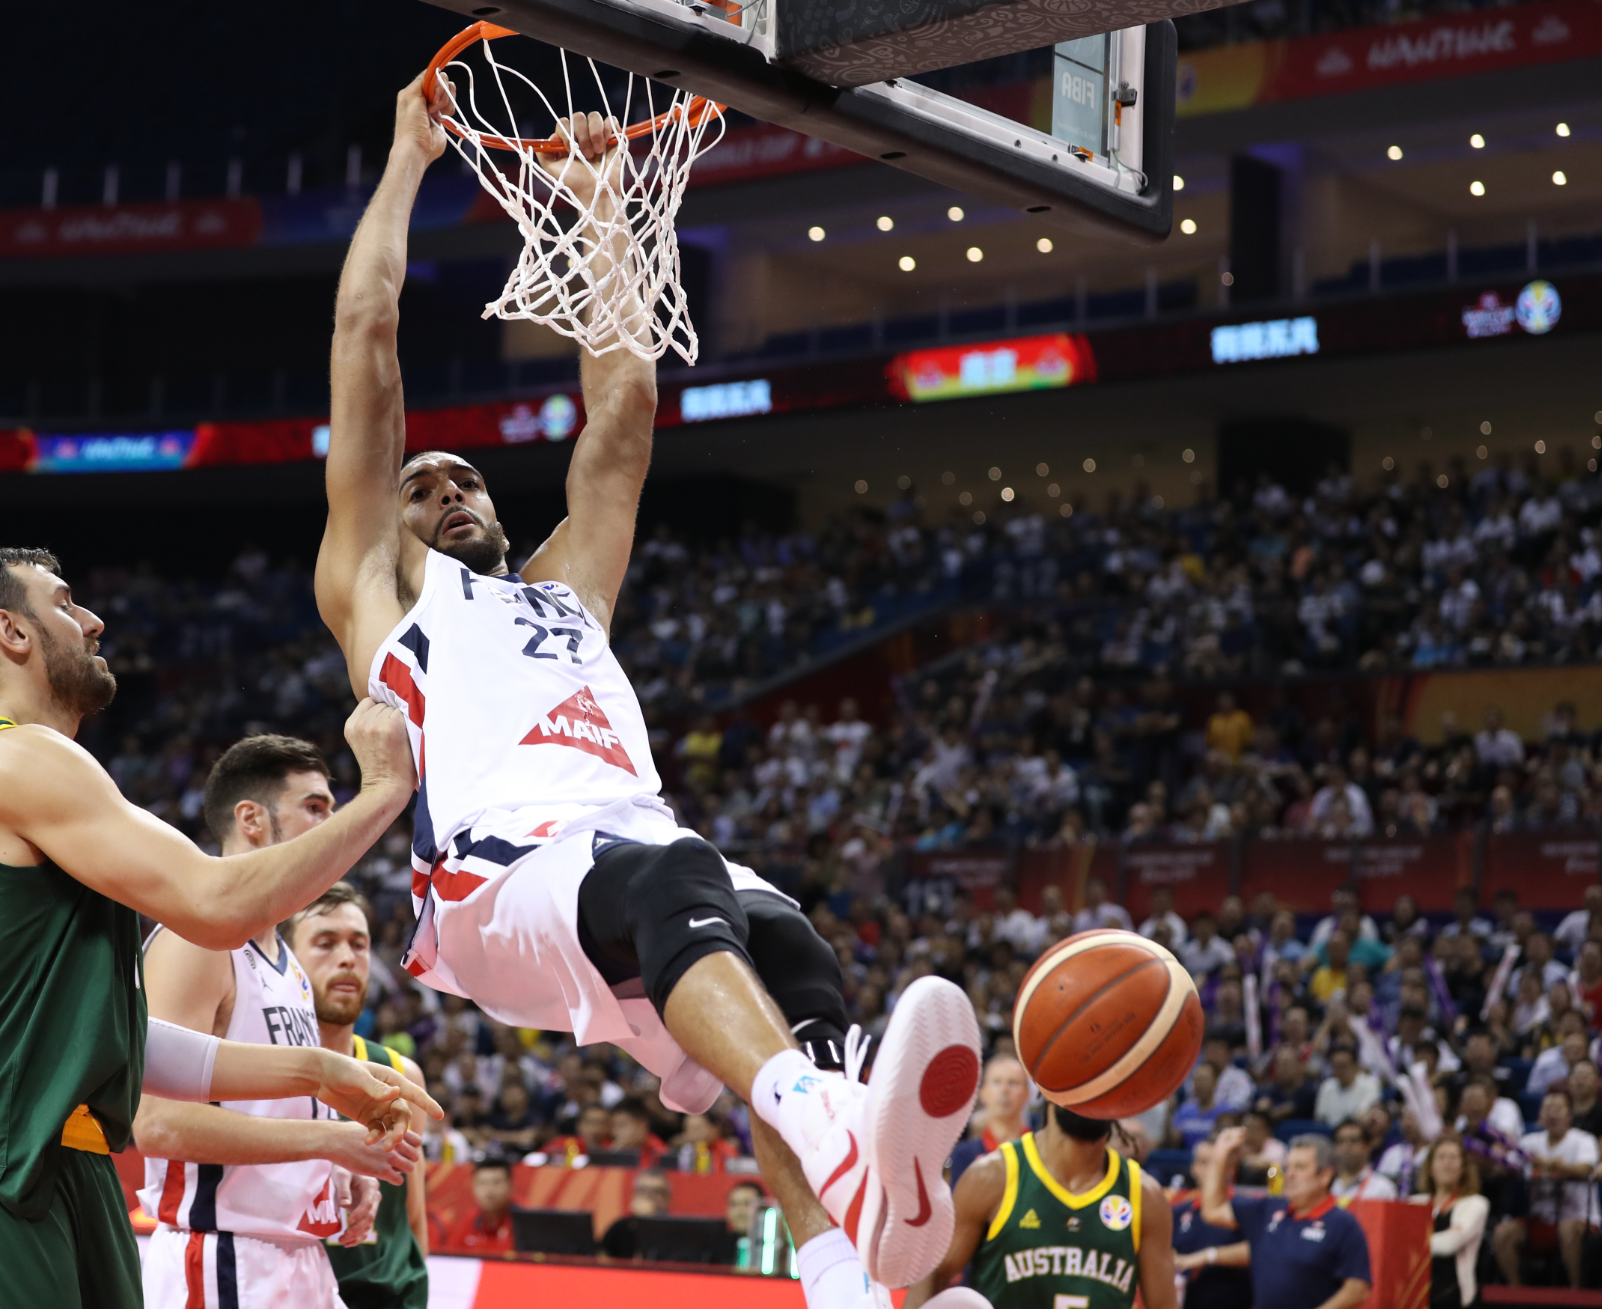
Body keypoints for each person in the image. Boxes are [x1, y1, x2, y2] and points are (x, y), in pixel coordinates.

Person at [315, 75, 979, 1294]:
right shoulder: (384, 596)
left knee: (791, 948)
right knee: (684, 877)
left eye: (464, 479)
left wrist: (605, 206)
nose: (448, 490)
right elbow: (366, 341)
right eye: (423, 487)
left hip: (626, 871)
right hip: (494, 882)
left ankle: (849, 1274)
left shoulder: (566, 592)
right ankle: (841, 1140)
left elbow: (620, 411)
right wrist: (408, 158)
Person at [0, 548, 437, 1309]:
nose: (94, 619)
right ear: (10, 631)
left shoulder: (57, 782)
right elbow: (216, 904)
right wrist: (385, 789)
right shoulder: (9, 755)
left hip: (67, 1161)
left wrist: (320, 1073)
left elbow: (123, 1038)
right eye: (66, 601)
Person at [137, 739, 423, 1309]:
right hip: (222, 1258)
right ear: (252, 820)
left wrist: (330, 1168)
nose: (333, 825)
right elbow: (156, 1124)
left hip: (302, 1258)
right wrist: (331, 1140)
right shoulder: (196, 940)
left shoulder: (288, 961)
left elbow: (269, 1109)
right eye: (315, 808)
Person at [295, 884, 433, 1309]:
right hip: (295, 1288)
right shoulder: (255, 1073)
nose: (346, 958)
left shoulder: (402, 1074)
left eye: (359, 944)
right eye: (325, 943)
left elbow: (411, 1218)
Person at [905, 1103, 1176, 1309]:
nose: (1089, 1097)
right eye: (1079, 1085)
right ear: (1048, 1088)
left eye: (1101, 1087)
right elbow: (931, 1275)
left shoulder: (1144, 1195)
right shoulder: (993, 1177)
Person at [1198, 1127, 1371, 1309]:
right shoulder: (1269, 1208)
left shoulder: (1343, 1224)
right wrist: (1220, 1154)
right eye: (1288, 1167)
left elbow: (1358, 1289)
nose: (1289, 1175)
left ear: (1325, 1176)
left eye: (1300, 1167)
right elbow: (1212, 1210)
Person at [1491, 1088, 1596, 1287]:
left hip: (1580, 1218)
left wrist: (1548, 1164)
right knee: (1503, 1232)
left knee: (1566, 1228)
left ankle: (1577, 1290)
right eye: (1547, 1108)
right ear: (1540, 1115)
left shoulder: (1583, 1140)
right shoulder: (1529, 1142)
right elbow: (1507, 1168)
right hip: (1541, 1218)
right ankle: (1516, 1292)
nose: (1552, 1113)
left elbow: (1585, 1170)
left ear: (1569, 1115)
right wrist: (1499, 1157)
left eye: (1557, 1108)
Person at [1171, 1140, 1251, 1309]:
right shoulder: (1177, 1212)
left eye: (1215, 1162)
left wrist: (1208, 1256)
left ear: (1231, 1168)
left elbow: (1262, 1250)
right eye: (1203, 1162)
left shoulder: (1246, 1209)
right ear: (1193, 1168)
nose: (1210, 1169)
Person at [1413, 1133, 1486, 1309]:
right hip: (1415, 1296)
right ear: (1430, 1167)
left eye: (1454, 1158)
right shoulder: (1414, 1203)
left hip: (1454, 1297)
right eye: (1441, 1157)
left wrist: (1410, 1243)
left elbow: (1451, 1243)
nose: (1447, 1163)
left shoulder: (1475, 1204)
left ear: (1463, 1167)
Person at [949, 1054, 1032, 1185]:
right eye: (997, 1082)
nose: (1004, 1090)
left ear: (1027, 1094)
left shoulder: (1042, 1151)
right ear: (983, 1093)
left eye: (1013, 1083)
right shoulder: (963, 1155)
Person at [441, 1159, 515, 1253]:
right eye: (482, 1183)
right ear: (473, 1186)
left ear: (510, 1185)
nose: (489, 1191)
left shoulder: (522, 1223)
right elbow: (450, 1257)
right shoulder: (470, 1219)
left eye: (496, 1183)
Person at [600, 1169, 673, 1260]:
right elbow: (601, 1260)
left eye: (656, 1191)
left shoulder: (676, 1233)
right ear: (635, 1194)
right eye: (643, 1190)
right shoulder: (620, 1228)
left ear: (668, 1197)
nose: (649, 1197)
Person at [1315, 1046, 1381, 1129]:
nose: (1339, 1070)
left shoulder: (1370, 1084)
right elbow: (1320, 1118)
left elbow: (1363, 1114)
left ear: (1355, 1065)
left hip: (1359, 1133)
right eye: (1336, 1066)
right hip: (1332, 1134)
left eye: (1343, 1065)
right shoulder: (1327, 1086)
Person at [1330, 1119, 1396, 1203]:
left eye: (1353, 1141)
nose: (1346, 1146)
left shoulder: (1383, 1189)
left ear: (1367, 1147)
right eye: (1341, 1141)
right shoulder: (1327, 1187)